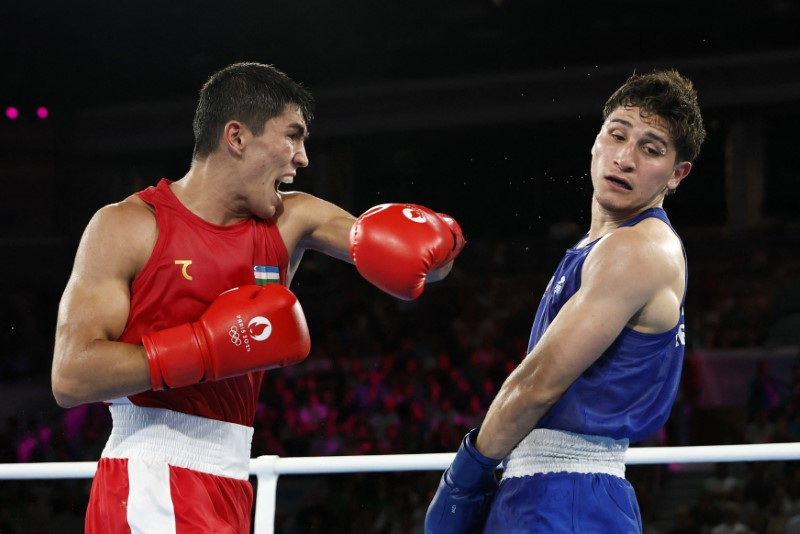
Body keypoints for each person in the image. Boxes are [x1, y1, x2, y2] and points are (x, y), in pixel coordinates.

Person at [51, 61, 465, 533]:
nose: (303, 158)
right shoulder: (129, 226)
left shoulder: (293, 218)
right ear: (237, 136)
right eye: (292, 136)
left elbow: (418, 261)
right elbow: (71, 377)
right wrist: (205, 347)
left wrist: (440, 243)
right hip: (150, 472)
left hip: (229, 478)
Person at [425, 69, 706, 533]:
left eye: (650, 149)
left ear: (677, 174)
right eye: (617, 136)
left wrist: (464, 475)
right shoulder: (598, 246)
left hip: (571, 497)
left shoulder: (637, 249)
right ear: (596, 140)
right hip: (541, 487)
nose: (625, 158)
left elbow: (539, 383)